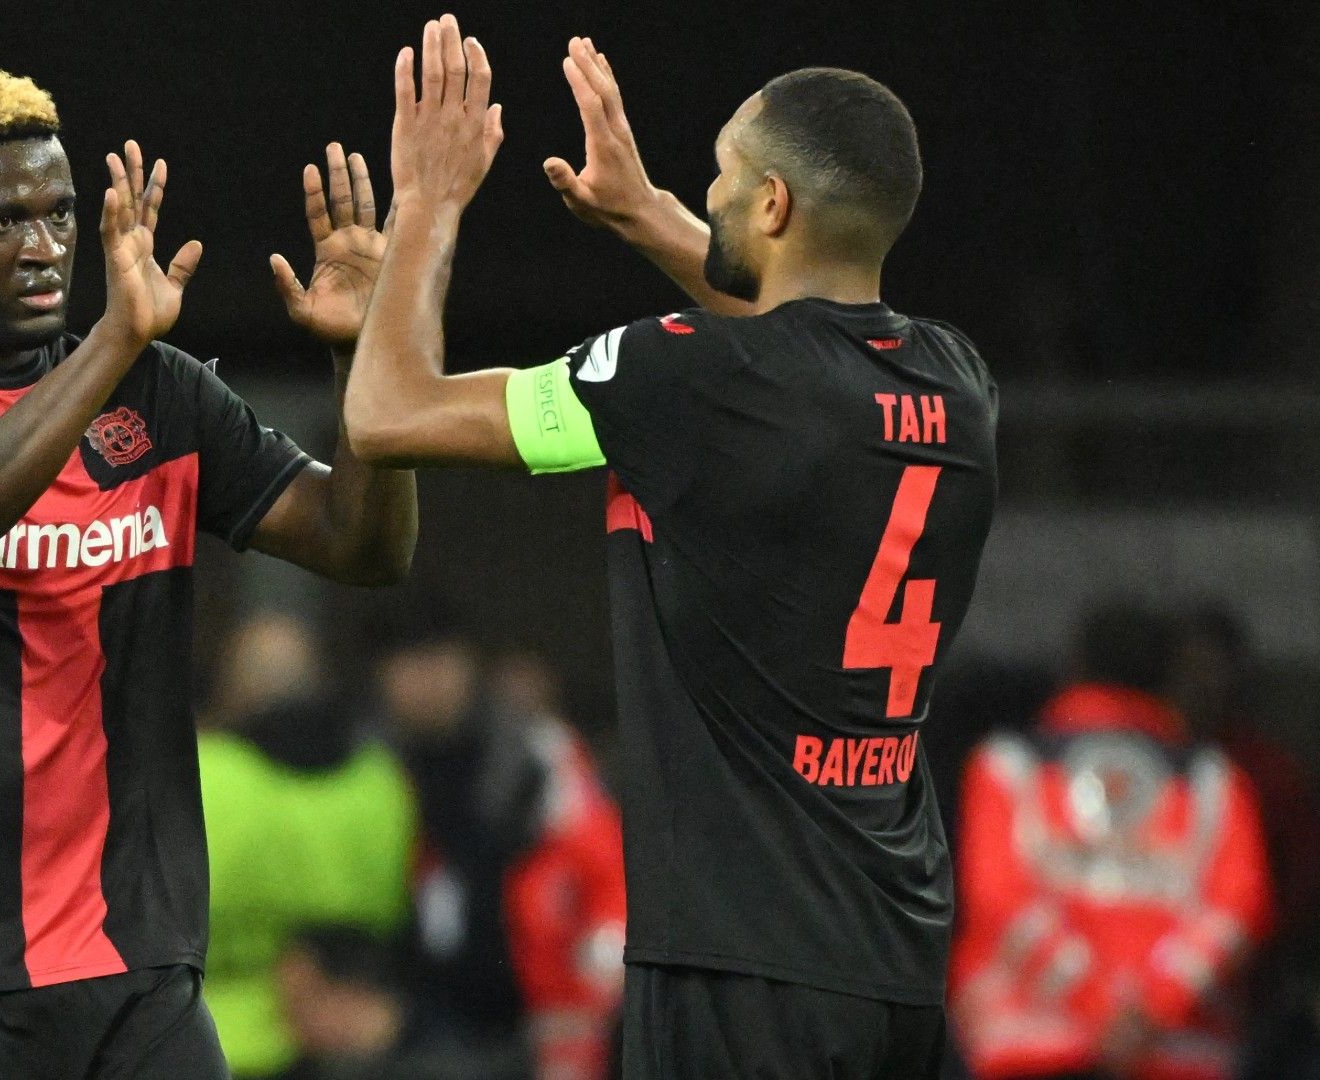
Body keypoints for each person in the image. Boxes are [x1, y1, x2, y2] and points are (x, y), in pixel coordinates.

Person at [343, 19, 999, 1078]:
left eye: (723, 177)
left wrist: (427, 202)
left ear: (774, 205)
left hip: (736, 970)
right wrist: (644, 211)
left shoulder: (685, 378)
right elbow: (794, 339)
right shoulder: (957, 383)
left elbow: (388, 412)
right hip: (899, 958)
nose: (715, 195)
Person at [0, 65, 415, 1078]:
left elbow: (365, 547)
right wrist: (110, 343)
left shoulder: (160, 398)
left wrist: (364, 358)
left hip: (135, 968)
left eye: (60, 213)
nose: (43, 247)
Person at [950, 602, 1274, 1079]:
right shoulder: (1215, 782)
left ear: (1075, 668)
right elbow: (1236, 911)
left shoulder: (1008, 768)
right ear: (1169, 678)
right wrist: (1151, 1007)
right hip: (1171, 1052)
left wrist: (1097, 1004)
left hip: (1034, 1046)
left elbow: (1000, 900)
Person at [374, 621, 625, 1080]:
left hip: (530, 999)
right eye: (411, 666)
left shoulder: (531, 754)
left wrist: (598, 960)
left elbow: (599, 863)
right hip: (415, 1001)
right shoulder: (370, 762)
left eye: (438, 663)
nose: (427, 683)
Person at [197, 614, 418, 1077]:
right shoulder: (382, 781)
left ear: (231, 688)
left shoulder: (203, 773)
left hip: (218, 1040)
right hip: (353, 1037)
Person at [272, 925, 518, 1080]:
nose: (287, 1023)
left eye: (298, 1004)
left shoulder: (467, 1054)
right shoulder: (310, 1071)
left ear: (350, 990)